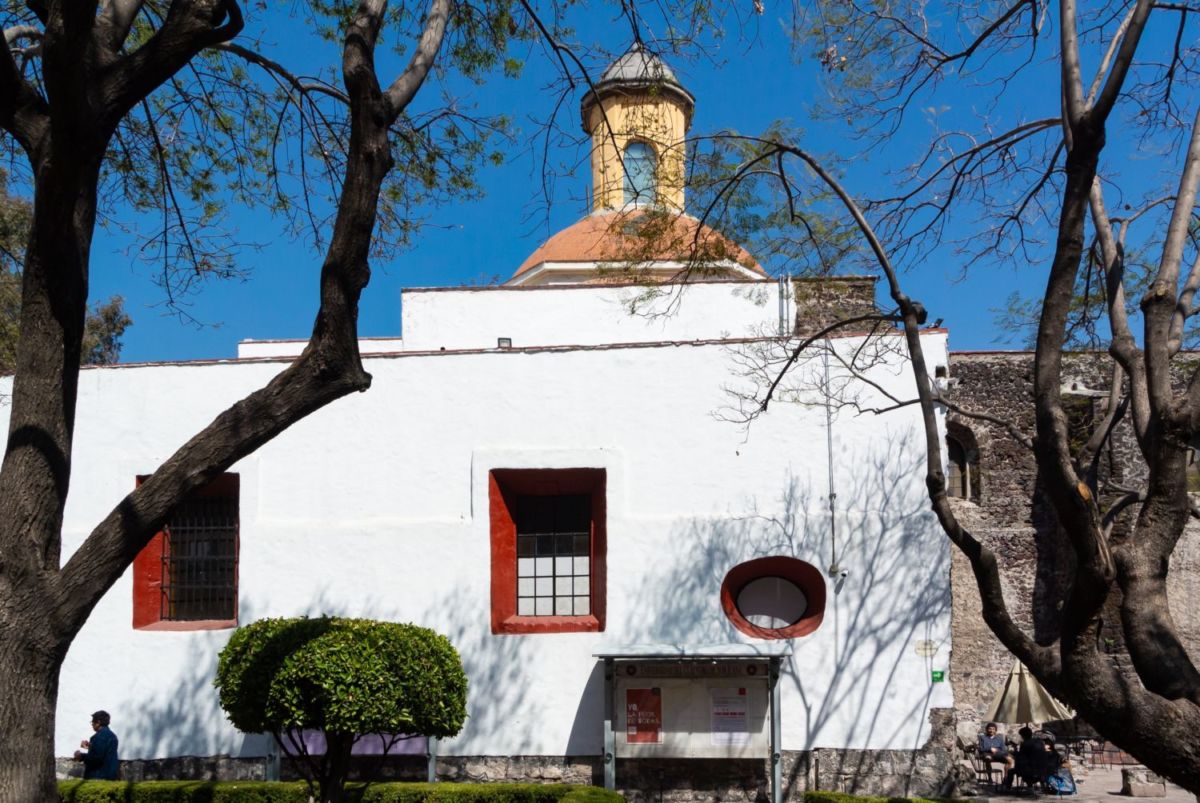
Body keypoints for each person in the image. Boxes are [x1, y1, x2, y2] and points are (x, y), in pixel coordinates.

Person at [73, 710, 119, 780]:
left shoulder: (99, 737)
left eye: (92, 722)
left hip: (98, 776)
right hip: (110, 775)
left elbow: (96, 758)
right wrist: (90, 746)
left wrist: (81, 756)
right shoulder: (112, 736)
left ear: (98, 722)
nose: (92, 724)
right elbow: (105, 752)